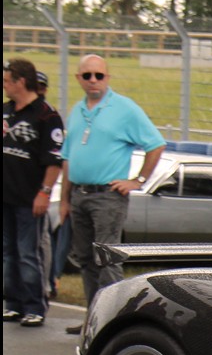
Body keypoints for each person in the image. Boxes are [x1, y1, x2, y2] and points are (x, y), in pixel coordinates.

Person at [59, 54, 165, 328]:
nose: (93, 80)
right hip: (79, 194)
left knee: (107, 258)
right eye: (87, 75)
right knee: (85, 259)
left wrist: (138, 180)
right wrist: (64, 199)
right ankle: (93, 320)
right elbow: (68, 157)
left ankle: (113, 323)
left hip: (107, 196)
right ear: (78, 78)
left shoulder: (124, 108)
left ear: (107, 77)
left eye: (99, 75)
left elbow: (156, 144)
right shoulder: (77, 110)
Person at [3, 59, 63, 327]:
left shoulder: (46, 116)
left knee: (28, 253)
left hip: (29, 198)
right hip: (5, 195)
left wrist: (45, 192)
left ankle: (34, 306)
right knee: (7, 253)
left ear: (21, 82)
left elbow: (54, 160)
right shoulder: (6, 111)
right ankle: (13, 303)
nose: (4, 85)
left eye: (7, 81)